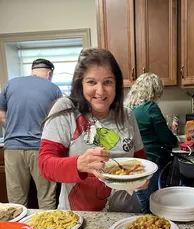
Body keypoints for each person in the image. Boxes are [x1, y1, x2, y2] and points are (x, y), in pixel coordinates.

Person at [38, 48, 148, 212]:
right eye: (91, 82)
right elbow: (45, 165)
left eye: (108, 82)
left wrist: (142, 178)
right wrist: (79, 164)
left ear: (116, 84)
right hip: (79, 217)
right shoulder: (66, 109)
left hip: (126, 215)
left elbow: (141, 161)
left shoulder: (126, 114)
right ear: (80, 83)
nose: (100, 91)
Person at [0, 58, 62, 209]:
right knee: (46, 198)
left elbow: (1, 114)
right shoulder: (53, 88)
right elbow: (60, 119)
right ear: (49, 73)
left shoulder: (11, 84)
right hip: (41, 149)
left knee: (16, 201)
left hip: (13, 149)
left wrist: (13, 130)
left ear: (32, 71)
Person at [125, 72, 178, 212]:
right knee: (149, 202)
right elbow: (167, 138)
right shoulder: (150, 107)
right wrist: (175, 139)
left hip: (133, 162)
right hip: (151, 160)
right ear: (154, 90)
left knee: (140, 197)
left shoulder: (129, 109)